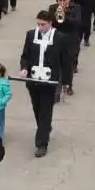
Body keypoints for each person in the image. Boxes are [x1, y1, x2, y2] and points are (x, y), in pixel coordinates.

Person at [19, 10, 68, 158]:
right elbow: (25, 56)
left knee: (46, 111)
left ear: (50, 23)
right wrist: (24, 68)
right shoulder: (30, 35)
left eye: (43, 24)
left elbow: (65, 61)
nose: (40, 27)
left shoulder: (60, 38)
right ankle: (45, 128)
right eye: (38, 24)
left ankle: (41, 143)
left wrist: (65, 82)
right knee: (37, 109)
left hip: (49, 81)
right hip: (33, 81)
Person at [48, 0, 80, 95]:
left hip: (70, 38)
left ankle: (68, 85)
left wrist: (64, 16)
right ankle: (55, 83)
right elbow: (49, 22)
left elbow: (77, 22)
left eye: (64, 0)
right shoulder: (52, 8)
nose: (61, 2)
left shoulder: (75, 8)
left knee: (68, 63)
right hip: (56, 37)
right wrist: (56, 14)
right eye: (59, 0)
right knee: (56, 62)